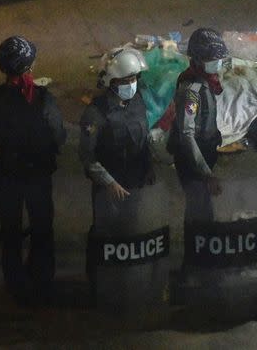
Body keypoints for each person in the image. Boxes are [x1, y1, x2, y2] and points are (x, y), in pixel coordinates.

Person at [0, 36, 67, 304]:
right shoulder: (43, 99)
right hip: (37, 175)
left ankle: (15, 282)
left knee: (11, 233)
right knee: (42, 227)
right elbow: (58, 133)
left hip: (7, 177)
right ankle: (42, 278)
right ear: (28, 67)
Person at [79, 47, 154, 297]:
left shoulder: (138, 102)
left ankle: (124, 282)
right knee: (104, 234)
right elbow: (87, 157)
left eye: (134, 79)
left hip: (134, 182)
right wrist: (109, 183)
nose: (131, 84)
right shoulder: (95, 113)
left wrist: (149, 167)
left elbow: (144, 139)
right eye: (125, 80)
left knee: (130, 231)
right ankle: (97, 285)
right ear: (111, 82)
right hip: (108, 189)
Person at [167, 28, 228, 232]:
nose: (217, 62)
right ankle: (194, 259)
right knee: (197, 209)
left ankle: (204, 252)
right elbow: (187, 134)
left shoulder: (206, 81)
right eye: (212, 59)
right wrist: (206, 173)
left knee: (203, 206)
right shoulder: (191, 91)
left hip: (204, 152)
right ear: (199, 59)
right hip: (193, 158)